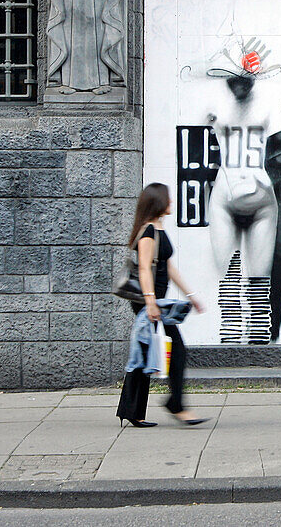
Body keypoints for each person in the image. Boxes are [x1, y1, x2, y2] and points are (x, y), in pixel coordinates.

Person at [116, 183, 208, 427]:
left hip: (157, 301)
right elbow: (145, 267)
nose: (171, 203)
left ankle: (132, 410)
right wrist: (150, 303)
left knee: (144, 352)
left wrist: (191, 294)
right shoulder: (148, 231)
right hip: (151, 302)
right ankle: (175, 405)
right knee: (177, 349)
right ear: (158, 202)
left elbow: (167, 266)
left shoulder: (157, 228)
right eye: (168, 199)